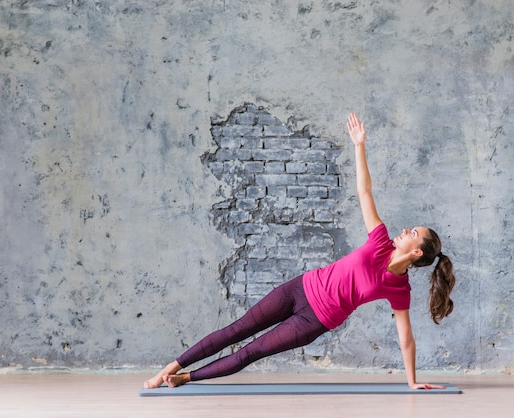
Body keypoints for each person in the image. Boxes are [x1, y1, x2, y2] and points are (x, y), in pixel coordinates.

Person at [144, 113, 456, 390]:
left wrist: (412, 381)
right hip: (300, 288)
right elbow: (364, 191)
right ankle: (168, 370)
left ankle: (187, 379)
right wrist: (359, 145)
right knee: (236, 330)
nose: (405, 231)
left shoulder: (399, 289)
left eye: (413, 234)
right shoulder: (380, 240)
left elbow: (406, 338)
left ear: (417, 253)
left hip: (316, 321)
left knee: (250, 353)